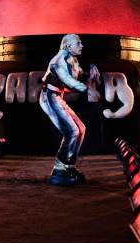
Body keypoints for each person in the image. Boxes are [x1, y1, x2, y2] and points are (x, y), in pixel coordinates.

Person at [40, 34, 98, 186]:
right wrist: (87, 89)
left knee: (81, 129)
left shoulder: (72, 58)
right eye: (78, 43)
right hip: (49, 97)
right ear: (68, 46)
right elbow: (69, 81)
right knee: (72, 131)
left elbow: (79, 75)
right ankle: (59, 168)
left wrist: (90, 76)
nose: (81, 45)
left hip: (57, 97)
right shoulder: (59, 60)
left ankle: (69, 166)